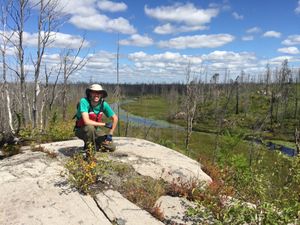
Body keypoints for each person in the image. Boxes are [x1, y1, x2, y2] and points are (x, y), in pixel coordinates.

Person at [74, 84, 118, 157]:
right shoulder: (84, 101)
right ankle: (90, 152)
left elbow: (115, 118)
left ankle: (94, 144)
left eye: (99, 93)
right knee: (90, 127)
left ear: (101, 94)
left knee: (111, 147)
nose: (96, 95)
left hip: (95, 130)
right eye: (94, 92)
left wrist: (110, 134)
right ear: (90, 93)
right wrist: (105, 124)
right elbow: (86, 121)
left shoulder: (103, 104)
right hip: (81, 130)